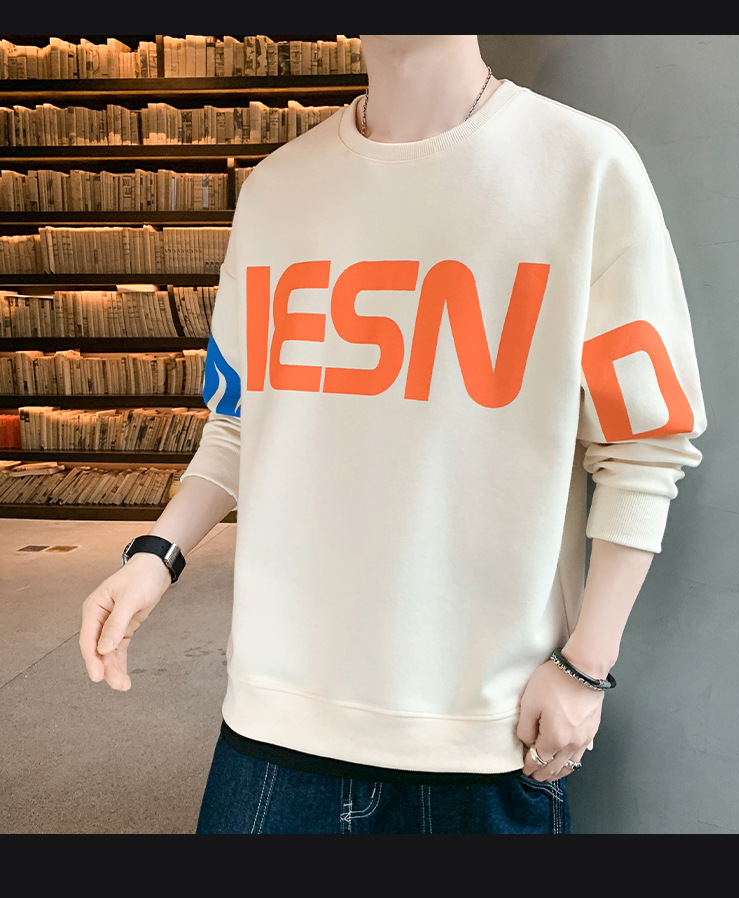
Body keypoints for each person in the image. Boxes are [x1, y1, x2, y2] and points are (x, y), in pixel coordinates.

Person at [79, 35, 707, 834]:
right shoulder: (277, 190)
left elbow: (646, 441)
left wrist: (588, 665)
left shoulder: (583, 166)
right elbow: (239, 420)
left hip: (486, 732)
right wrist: (156, 555)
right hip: (276, 719)